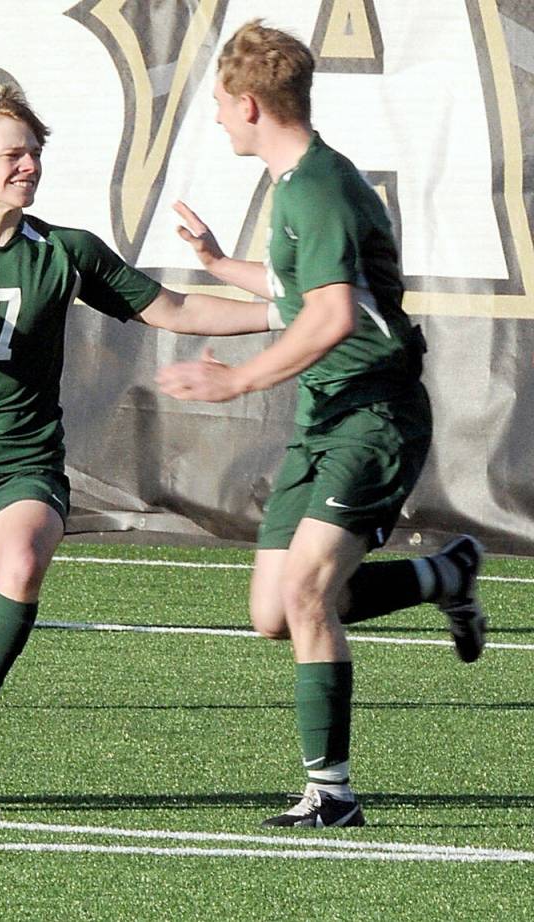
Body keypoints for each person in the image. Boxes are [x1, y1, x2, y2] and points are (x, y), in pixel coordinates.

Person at [0, 84, 280, 807]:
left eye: (34, 153)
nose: (29, 165)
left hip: (24, 458)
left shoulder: (66, 250)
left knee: (25, 558)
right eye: (13, 154)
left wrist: (286, 312)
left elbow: (174, 307)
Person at [156, 20, 486, 828]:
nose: (218, 118)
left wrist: (237, 380)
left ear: (249, 104)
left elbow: (333, 316)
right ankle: (444, 577)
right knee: (275, 612)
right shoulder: (297, 185)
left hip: (374, 414)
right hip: (324, 417)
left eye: (221, 104)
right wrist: (219, 264)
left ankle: (332, 794)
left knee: (308, 592)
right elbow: (303, 291)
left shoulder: (317, 187)